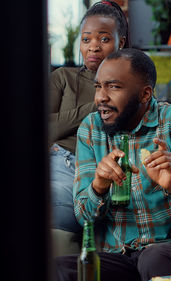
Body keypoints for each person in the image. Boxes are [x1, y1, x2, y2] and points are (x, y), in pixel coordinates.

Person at [55, 48, 171, 281]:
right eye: (98, 87)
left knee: (154, 258)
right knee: (58, 270)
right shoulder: (91, 128)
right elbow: (83, 217)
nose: (100, 97)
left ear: (145, 94)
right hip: (118, 255)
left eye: (113, 87)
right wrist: (98, 187)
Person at [49, 0, 130, 233]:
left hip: (102, 170)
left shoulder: (132, 86)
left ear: (120, 42)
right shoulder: (63, 77)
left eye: (104, 39)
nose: (93, 47)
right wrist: (97, 105)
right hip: (60, 164)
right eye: (86, 39)